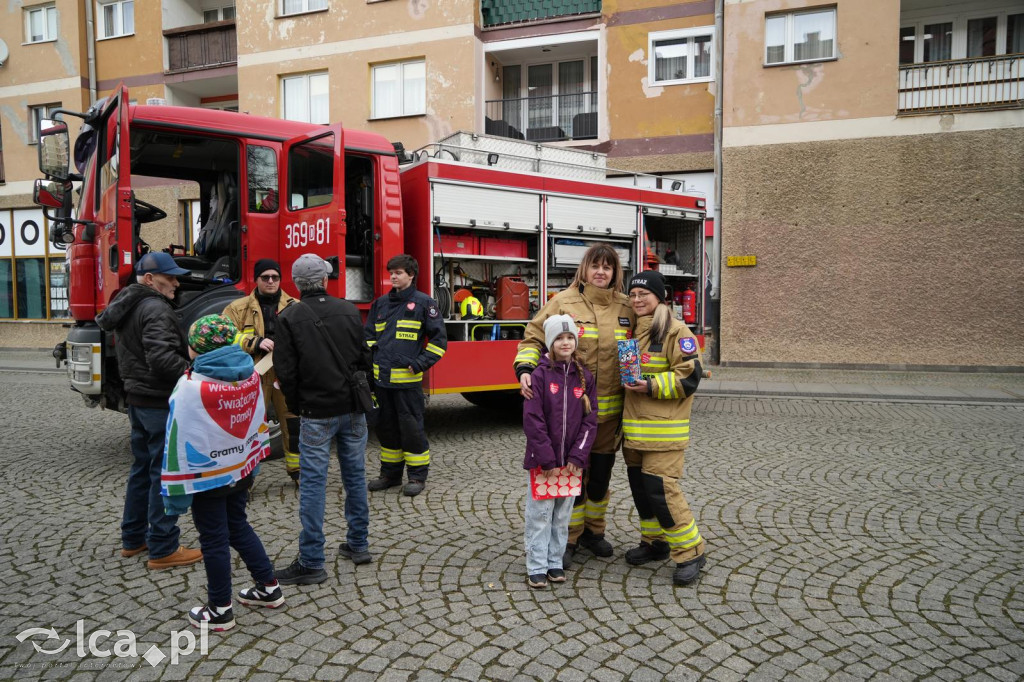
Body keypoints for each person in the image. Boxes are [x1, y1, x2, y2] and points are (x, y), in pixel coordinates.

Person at [514, 243, 633, 568]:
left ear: (614, 273)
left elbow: (643, 343)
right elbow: (532, 338)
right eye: (595, 265)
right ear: (584, 269)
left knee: (599, 479)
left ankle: (595, 531)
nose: (601, 272)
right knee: (570, 476)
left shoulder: (626, 307)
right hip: (569, 418)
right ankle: (568, 537)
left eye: (607, 267)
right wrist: (525, 370)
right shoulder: (562, 302)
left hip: (608, 418)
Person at [161, 315, 282, 632]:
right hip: (240, 469)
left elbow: (177, 441)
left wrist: (174, 499)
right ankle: (268, 587)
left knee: (213, 539)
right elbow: (257, 422)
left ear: (195, 349)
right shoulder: (251, 376)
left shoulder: (190, 387)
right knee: (238, 525)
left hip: (208, 476)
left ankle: (219, 609)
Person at [96, 251, 203, 570]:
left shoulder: (129, 304)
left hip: (139, 399)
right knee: (164, 474)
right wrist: (192, 373)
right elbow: (162, 360)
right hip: (159, 400)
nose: (175, 281)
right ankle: (163, 546)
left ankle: (134, 539)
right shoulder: (156, 307)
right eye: (169, 277)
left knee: (141, 470)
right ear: (147, 279)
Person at [273, 254, 374, 585]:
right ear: (326, 280)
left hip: (316, 412)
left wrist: (296, 403)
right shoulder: (348, 309)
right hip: (352, 409)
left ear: (295, 284)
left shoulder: (289, 316)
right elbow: (363, 358)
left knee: (314, 484)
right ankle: (358, 544)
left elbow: (286, 372)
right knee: (355, 476)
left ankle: (312, 560)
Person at [621, 270, 706, 586]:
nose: (637, 299)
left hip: (663, 432)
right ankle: (654, 543)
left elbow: (690, 376)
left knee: (662, 492)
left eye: (644, 294)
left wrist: (653, 385)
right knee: (642, 492)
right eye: (633, 294)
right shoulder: (634, 331)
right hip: (634, 432)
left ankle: (691, 551)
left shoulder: (676, 331)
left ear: (660, 297)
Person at [522, 315, 597, 589]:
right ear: (550, 343)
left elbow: (591, 420)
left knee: (562, 517)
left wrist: (578, 456)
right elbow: (533, 420)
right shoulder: (539, 376)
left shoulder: (584, 377)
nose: (565, 343)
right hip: (544, 463)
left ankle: (555, 562)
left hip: (571, 465)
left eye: (570, 338)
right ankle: (537, 566)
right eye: (559, 338)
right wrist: (547, 459)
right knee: (540, 516)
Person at [364, 254, 447, 497]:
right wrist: (370, 368)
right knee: (386, 429)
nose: (393, 277)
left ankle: (417, 476)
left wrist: (421, 363)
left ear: (411, 275)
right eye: (391, 272)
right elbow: (368, 339)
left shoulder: (424, 304)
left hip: (408, 384)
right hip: (382, 382)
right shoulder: (380, 304)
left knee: (411, 430)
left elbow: (439, 342)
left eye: (399, 273)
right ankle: (390, 475)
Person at [223, 258, 300, 481]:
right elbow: (223, 336)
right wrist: (253, 342)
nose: (270, 281)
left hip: (285, 375)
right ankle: (244, 478)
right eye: (265, 277)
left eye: (275, 277)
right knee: (248, 427)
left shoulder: (295, 305)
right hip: (252, 374)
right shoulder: (237, 308)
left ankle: (298, 471)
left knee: (293, 423)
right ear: (256, 280)